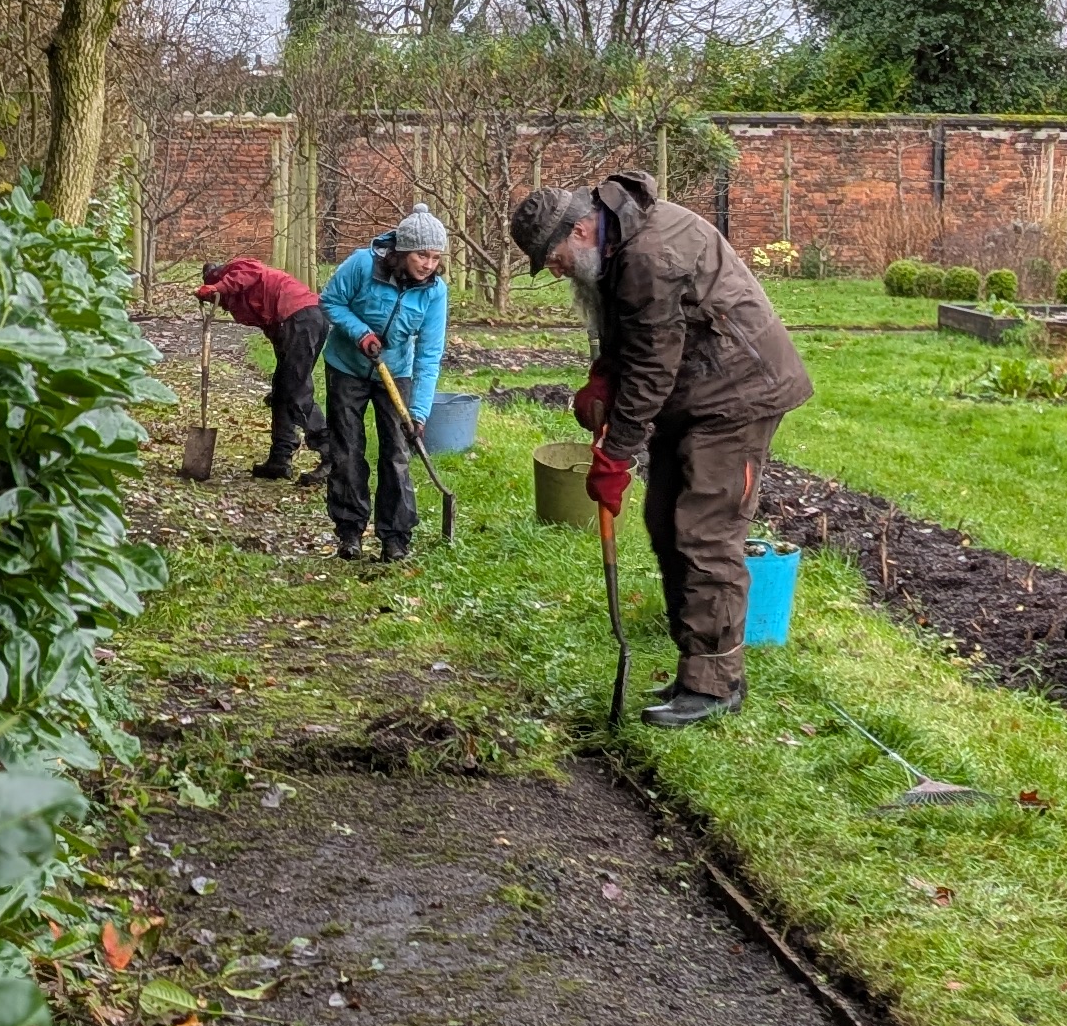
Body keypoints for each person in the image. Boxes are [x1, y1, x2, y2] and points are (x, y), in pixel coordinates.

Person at [507, 171, 810, 722]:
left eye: (551, 258)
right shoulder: (618, 242)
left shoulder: (650, 255)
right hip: (695, 392)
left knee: (704, 532)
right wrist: (603, 377)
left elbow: (651, 368)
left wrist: (615, 457)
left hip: (738, 395)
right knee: (664, 520)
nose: (553, 270)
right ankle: (693, 671)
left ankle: (715, 685)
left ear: (579, 230)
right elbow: (631, 337)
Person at [317, 208, 450, 561]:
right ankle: (350, 531)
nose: (428, 264)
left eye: (435, 257)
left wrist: (418, 413)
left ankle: (395, 537)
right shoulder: (362, 265)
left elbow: (429, 353)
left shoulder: (435, 292)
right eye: (422, 255)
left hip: (397, 372)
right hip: (346, 367)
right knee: (347, 450)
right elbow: (329, 300)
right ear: (403, 251)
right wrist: (360, 333)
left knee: (396, 452)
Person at [190, 256, 328, 479]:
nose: (220, 302)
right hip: (297, 323)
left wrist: (215, 287)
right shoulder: (237, 297)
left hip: (302, 318)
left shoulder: (238, 268)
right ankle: (280, 459)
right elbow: (269, 322)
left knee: (295, 392)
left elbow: (248, 274)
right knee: (282, 392)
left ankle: (332, 455)